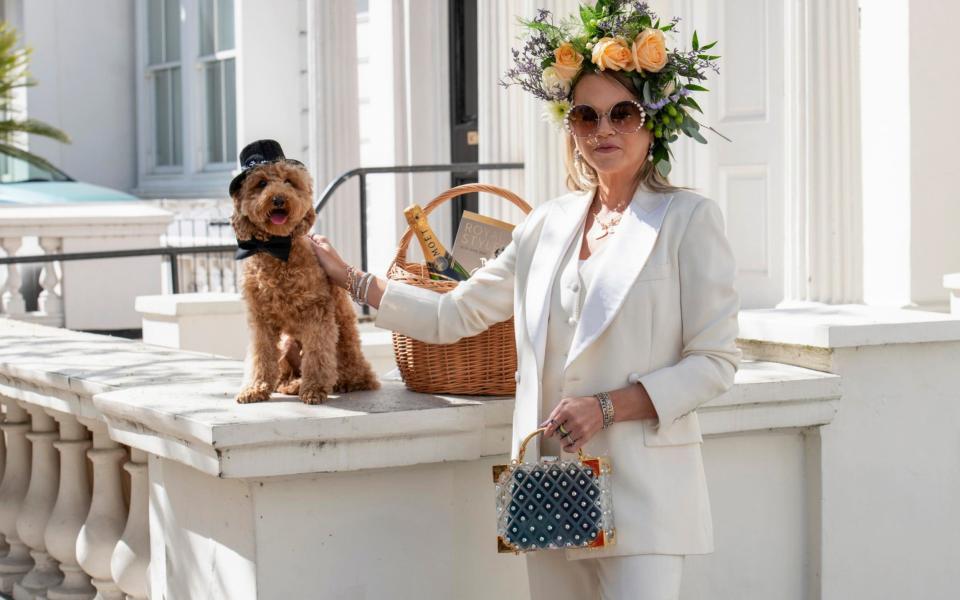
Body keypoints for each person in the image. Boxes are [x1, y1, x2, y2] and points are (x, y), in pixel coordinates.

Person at [309, 7, 740, 599]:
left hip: (650, 498)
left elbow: (714, 362)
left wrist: (607, 407)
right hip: (549, 487)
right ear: (570, 126)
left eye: (623, 112)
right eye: (585, 114)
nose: (602, 129)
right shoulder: (547, 224)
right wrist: (351, 279)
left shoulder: (690, 220)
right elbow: (452, 314)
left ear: (653, 122)